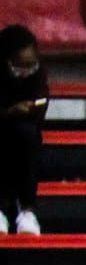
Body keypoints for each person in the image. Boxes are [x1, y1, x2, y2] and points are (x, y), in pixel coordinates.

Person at [1, 23, 48, 234]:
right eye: (20, 65)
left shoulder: (37, 74)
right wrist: (9, 112)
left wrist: (29, 109)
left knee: (27, 136)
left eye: (31, 64)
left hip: (25, 129)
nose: (27, 70)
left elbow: (41, 102)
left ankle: (27, 210)